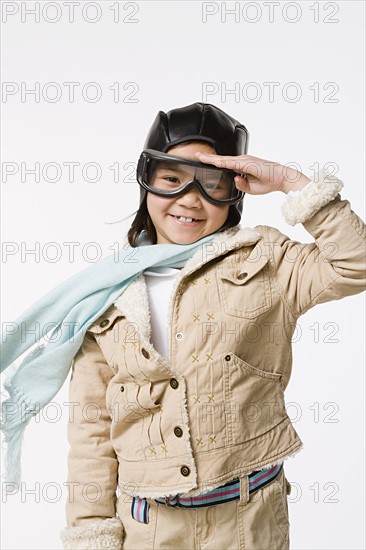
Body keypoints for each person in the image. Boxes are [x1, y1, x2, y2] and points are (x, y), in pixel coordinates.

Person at [1, 102, 365, 550]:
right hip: (149, 526)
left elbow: (355, 265)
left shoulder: (267, 260)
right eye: (172, 179)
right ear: (147, 181)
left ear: (235, 193)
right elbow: (92, 426)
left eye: (212, 184)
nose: (190, 199)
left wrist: (293, 184)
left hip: (248, 520)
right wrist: (90, 531)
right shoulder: (106, 290)